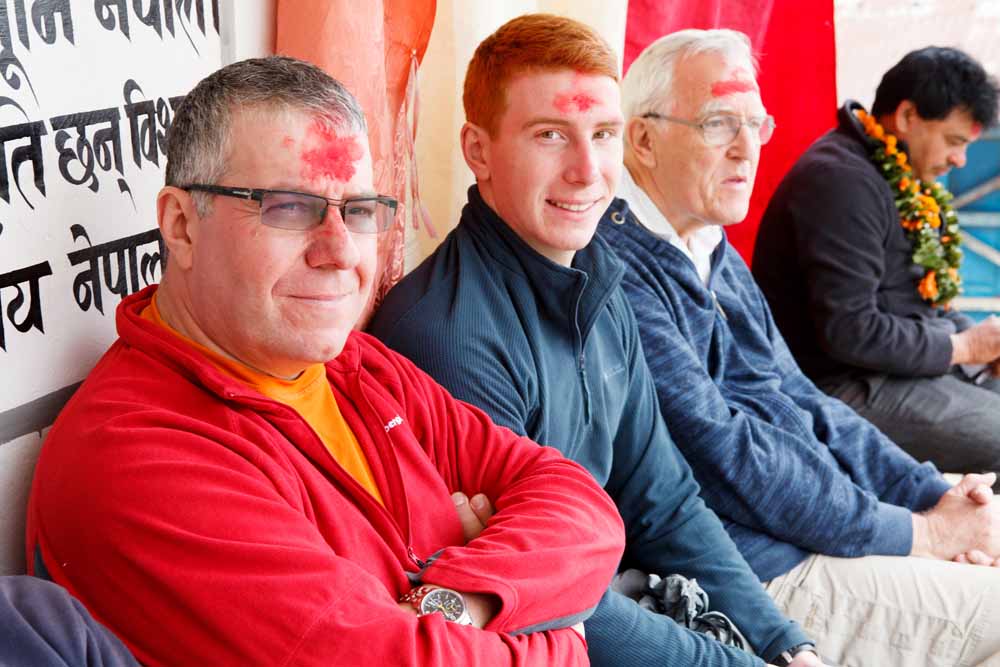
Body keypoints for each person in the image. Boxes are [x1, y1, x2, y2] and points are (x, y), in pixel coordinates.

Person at [25, 55, 626, 667]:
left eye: (359, 210)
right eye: (288, 207)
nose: (340, 251)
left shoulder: (359, 368)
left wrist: (459, 602)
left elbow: (581, 508)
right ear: (180, 225)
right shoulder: (138, 457)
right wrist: (562, 631)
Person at [369, 14, 824, 667]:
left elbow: (664, 500)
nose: (587, 171)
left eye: (603, 134)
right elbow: (528, 595)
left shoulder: (597, 280)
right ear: (477, 149)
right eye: (551, 135)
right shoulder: (444, 335)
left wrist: (784, 644)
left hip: (646, 609)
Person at [595, 29, 1000, 666]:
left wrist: (928, 497)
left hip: (811, 521)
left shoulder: (707, 244)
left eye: (756, 124)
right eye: (718, 123)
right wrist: (916, 531)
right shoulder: (618, 266)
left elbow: (798, 397)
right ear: (641, 139)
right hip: (759, 569)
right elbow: (722, 452)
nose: (746, 149)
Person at [752, 46, 1000, 476]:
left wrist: (982, 349)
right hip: (835, 388)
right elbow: (850, 331)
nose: (960, 159)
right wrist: (962, 347)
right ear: (906, 117)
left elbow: (924, 306)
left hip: (894, 372)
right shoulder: (841, 181)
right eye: (954, 141)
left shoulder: (898, 175)